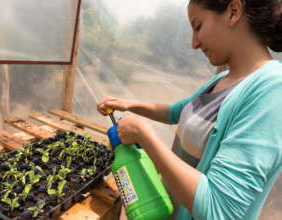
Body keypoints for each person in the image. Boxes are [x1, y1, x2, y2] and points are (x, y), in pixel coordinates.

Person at [97, 0, 282, 219]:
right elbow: (178, 112)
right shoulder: (223, 78)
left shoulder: (272, 90)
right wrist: (129, 105)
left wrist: (145, 136)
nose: (194, 43)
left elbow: (219, 210)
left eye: (198, 26)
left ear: (233, 12)